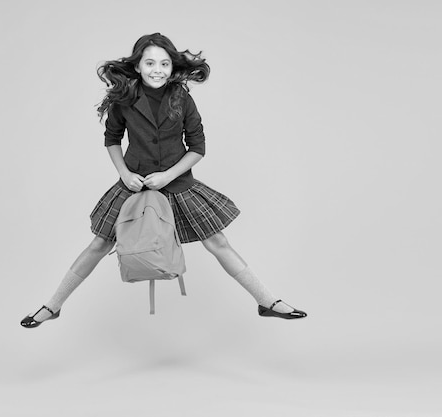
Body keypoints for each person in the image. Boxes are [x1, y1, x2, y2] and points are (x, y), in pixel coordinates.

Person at [21, 33, 307, 328]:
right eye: (150, 63)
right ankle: (52, 306)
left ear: (172, 68)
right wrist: (125, 174)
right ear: (138, 66)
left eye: (164, 64)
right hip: (134, 184)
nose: (157, 69)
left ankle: (267, 301)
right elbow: (112, 139)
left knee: (218, 242)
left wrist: (169, 175)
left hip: (177, 184)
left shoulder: (182, 97)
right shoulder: (124, 99)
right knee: (99, 245)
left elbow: (198, 147)